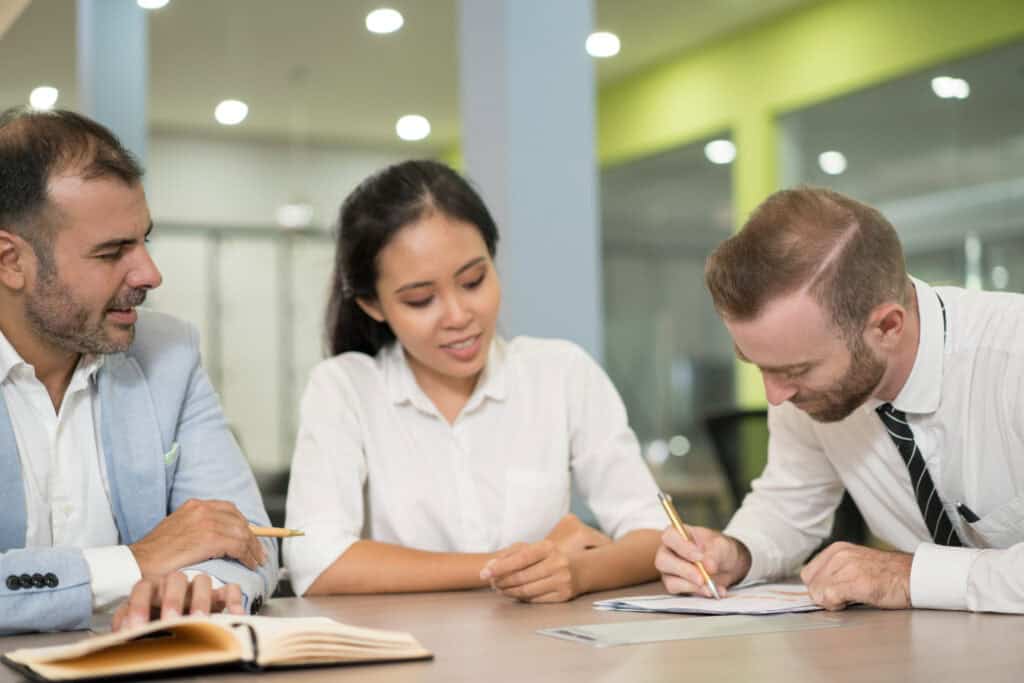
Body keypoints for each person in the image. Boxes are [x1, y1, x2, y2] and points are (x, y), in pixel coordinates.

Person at [284, 160, 664, 601]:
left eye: (473, 280)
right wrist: (514, 564)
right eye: (421, 300)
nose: (459, 316)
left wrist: (576, 571)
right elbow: (317, 562)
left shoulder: (560, 372)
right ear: (373, 304)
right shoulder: (345, 389)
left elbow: (654, 532)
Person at [656, 186, 1024, 613]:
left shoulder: (1011, 358)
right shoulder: (808, 388)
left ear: (887, 326)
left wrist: (910, 577)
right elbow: (789, 505)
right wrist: (736, 553)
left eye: (796, 370)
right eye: (757, 365)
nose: (775, 396)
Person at [0, 108, 278, 635]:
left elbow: (254, 537)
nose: (150, 273)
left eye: (144, 240)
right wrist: (134, 563)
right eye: (112, 253)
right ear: (10, 260)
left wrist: (197, 587)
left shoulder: (168, 352)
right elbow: (155, 556)